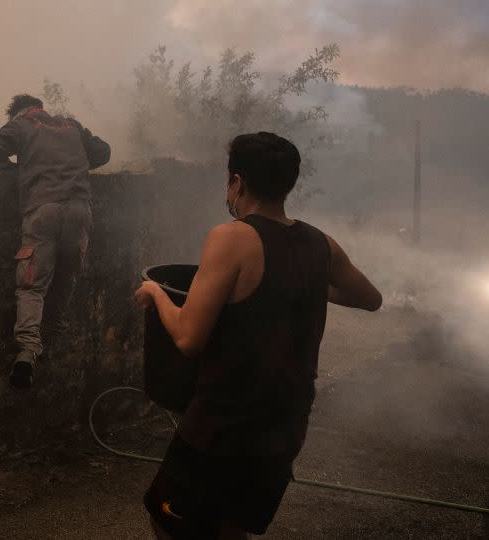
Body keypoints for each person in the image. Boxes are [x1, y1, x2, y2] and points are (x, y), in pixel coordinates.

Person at [134, 132, 382, 539]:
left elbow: (188, 338)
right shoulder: (321, 244)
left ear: (238, 182)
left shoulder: (231, 237)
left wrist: (156, 294)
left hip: (222, 430)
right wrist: (304, 284)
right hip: (284, 432)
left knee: (168, 522)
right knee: (232, 527)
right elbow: (370, 298)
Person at [0, 94, 111, 387]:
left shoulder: (21, 125)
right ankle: (54, 342)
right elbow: (103, 152)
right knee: (65, 278)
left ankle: (28, 351)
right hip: (80, 212)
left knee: (32, 285)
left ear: (17, 112)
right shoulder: (72, 126)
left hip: (43, 211)